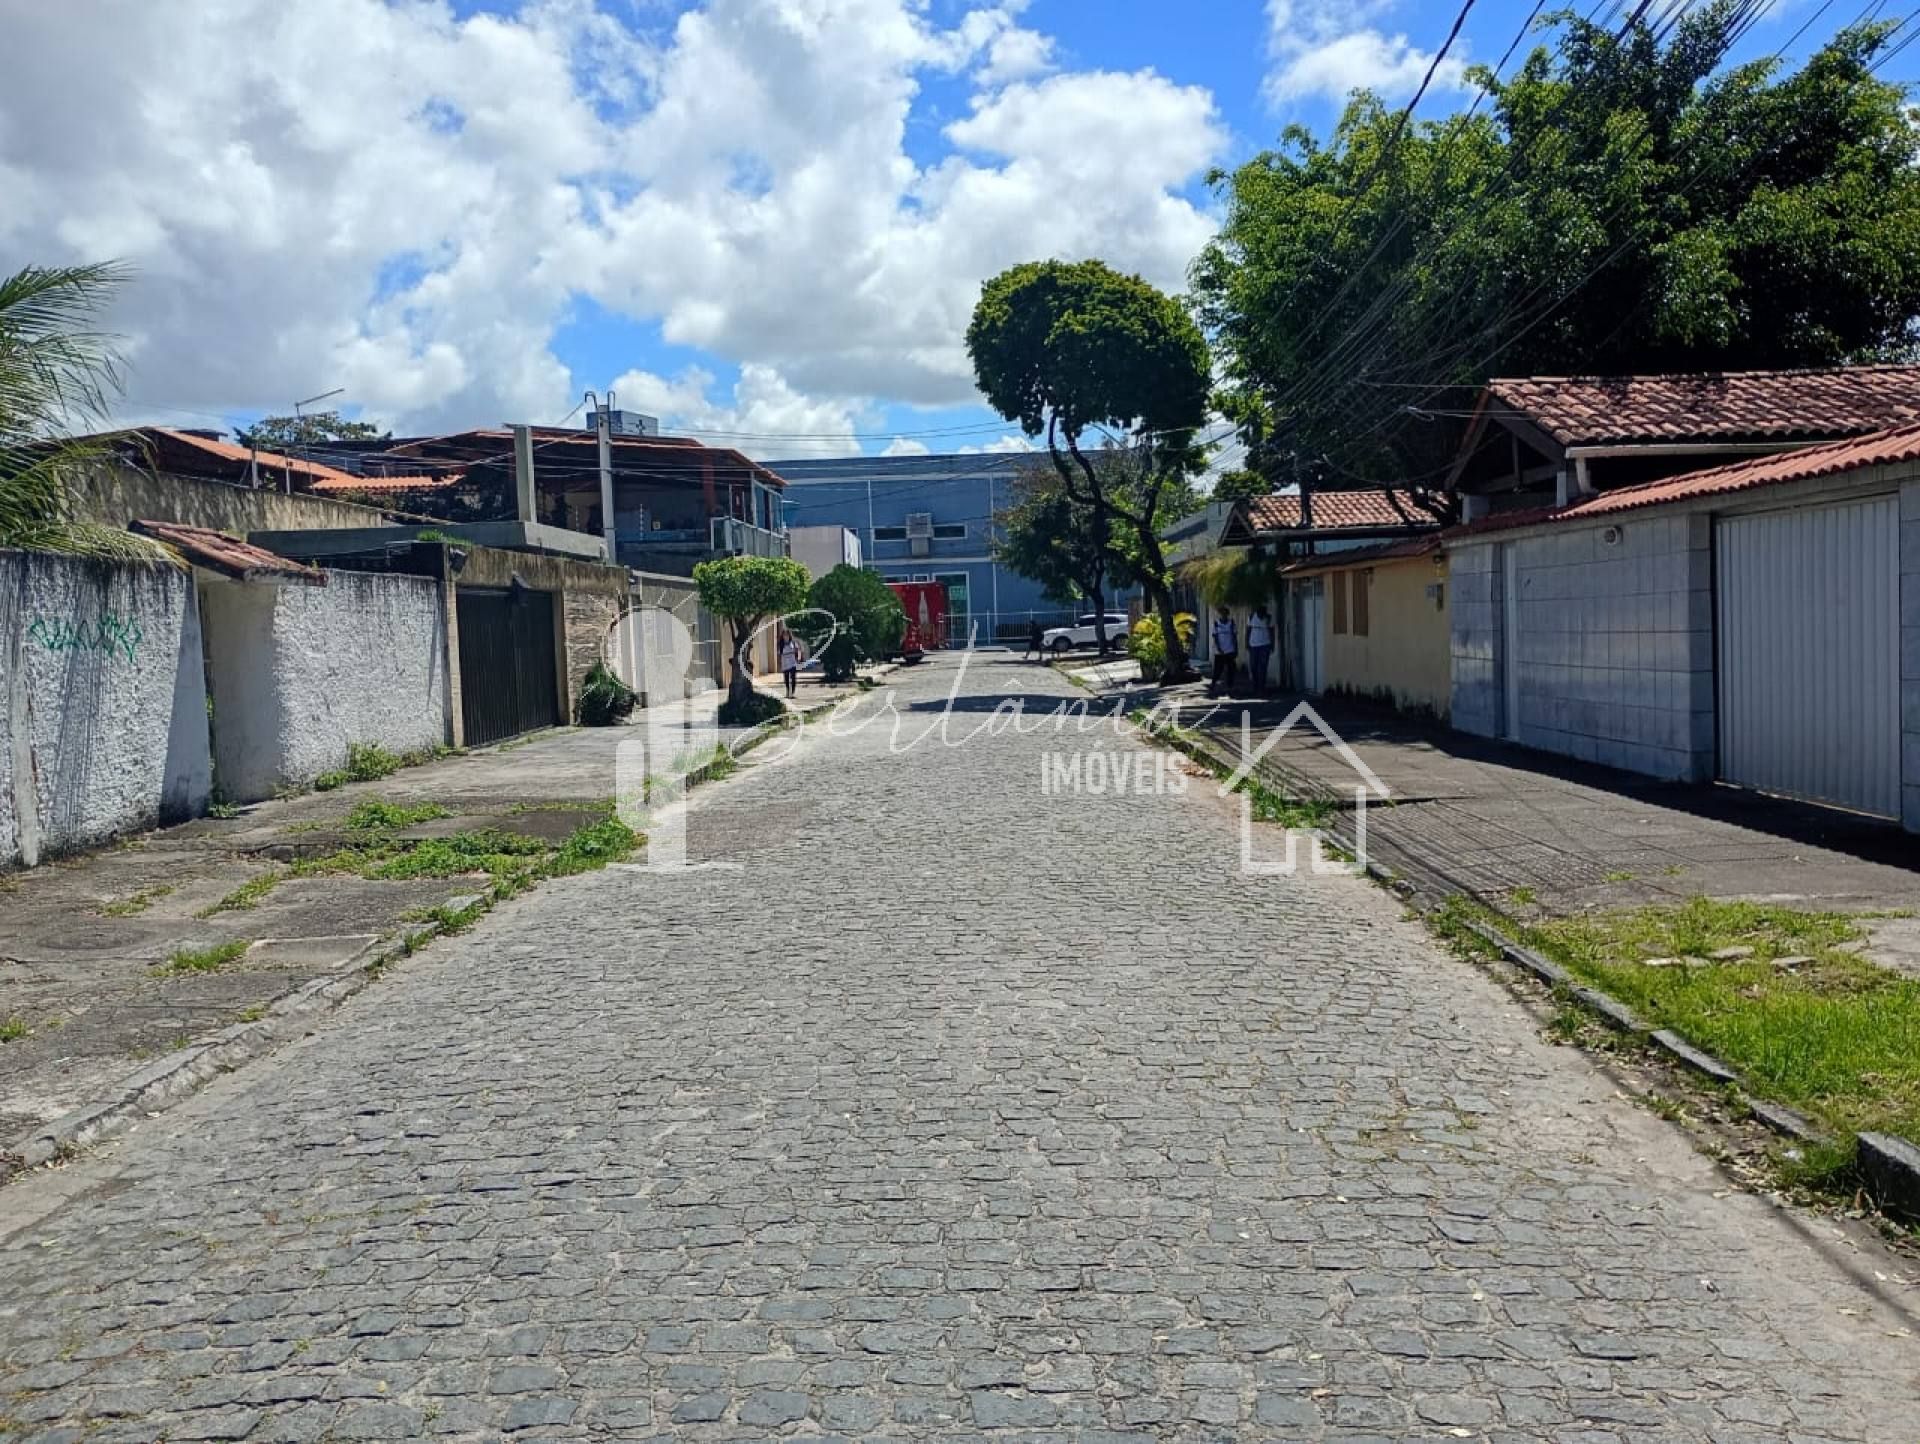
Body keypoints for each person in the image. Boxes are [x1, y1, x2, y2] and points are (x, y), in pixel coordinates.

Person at [1208, 606, 1237, 697]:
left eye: (1225, 614)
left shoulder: (1231, 623)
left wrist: (1236, 648)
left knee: (1231, 669)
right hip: (1219, 651)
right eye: (1222, 613)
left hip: (1230, 649)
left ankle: (1230, 686)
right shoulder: (1216, 623)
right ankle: (1213, 684)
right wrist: (1219, 647)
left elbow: (1234, 636)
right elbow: (1215, 636)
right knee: (1218, 669)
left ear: (1227, 614)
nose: (1223, 615)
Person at [1246, 606, 1273, 694]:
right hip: (1253, 645)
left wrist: (1272, 644)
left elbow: (1272, 631)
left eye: (1263, 613)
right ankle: (1255, 685)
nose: (1261, 615)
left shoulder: (1268, 618)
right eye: (1259, 613)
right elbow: (1248, 630)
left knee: (1263, 667)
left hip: (1265, 644)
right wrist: (1246, 643)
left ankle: (1262, 687)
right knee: (1253, 666)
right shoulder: (1251, 617)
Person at [779, 631, 803, 699]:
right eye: (784, 635)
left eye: (787, 635)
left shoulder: (793, 643)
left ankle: (792, 693)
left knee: (793, 678)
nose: (786, 636)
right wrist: (779, 663)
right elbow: (779, 654)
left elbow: (799, 650)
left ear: (789, 636)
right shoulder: (780, 644)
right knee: (786, 678)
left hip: (792, 662)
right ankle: (787, 692)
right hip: (785, 663)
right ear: (782, 636)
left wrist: (798, 659)